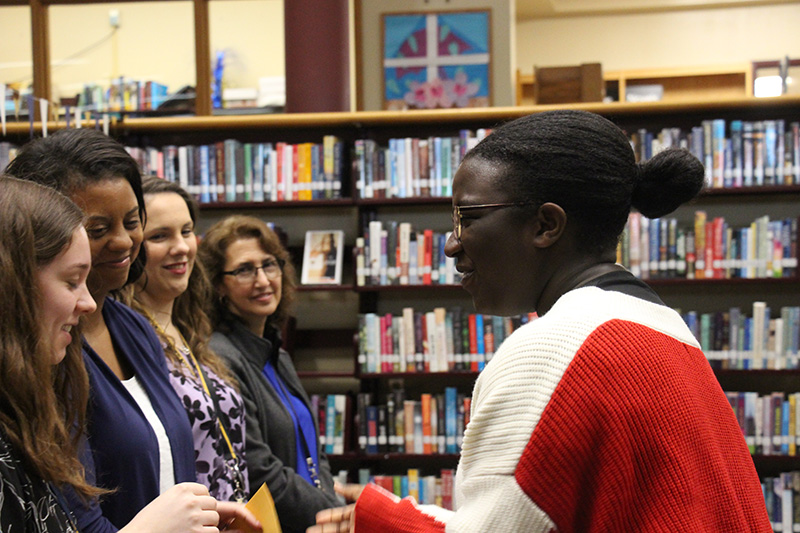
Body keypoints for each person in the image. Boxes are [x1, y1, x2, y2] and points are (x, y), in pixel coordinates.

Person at [310, 110, 772, 532]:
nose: (452, 244)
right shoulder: (665, 329)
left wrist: (382, 523)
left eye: (467, 217)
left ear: (545, 225)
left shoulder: (553, 351)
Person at [5, 129, 259, 533]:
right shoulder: (45, 354)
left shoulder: (136, 329)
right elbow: (74, 517)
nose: (124, 241)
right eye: (98, 228)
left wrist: (199, 516)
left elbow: (167, 468)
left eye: (132, 221)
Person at [198, 215, 341, 532]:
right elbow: (259, 471)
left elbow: (315, 453)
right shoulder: (220, 358)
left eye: (270, 265)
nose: (263, 280)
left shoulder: (276, 353)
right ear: (218, 285)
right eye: (245, 270)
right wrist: (334, 513)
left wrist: (332, 507)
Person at [129, 177, 249, 502]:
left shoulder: (187, 330)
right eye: (159, 236)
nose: (181, 247)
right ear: (131, 247)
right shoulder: (126, 342)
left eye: (186, 231)